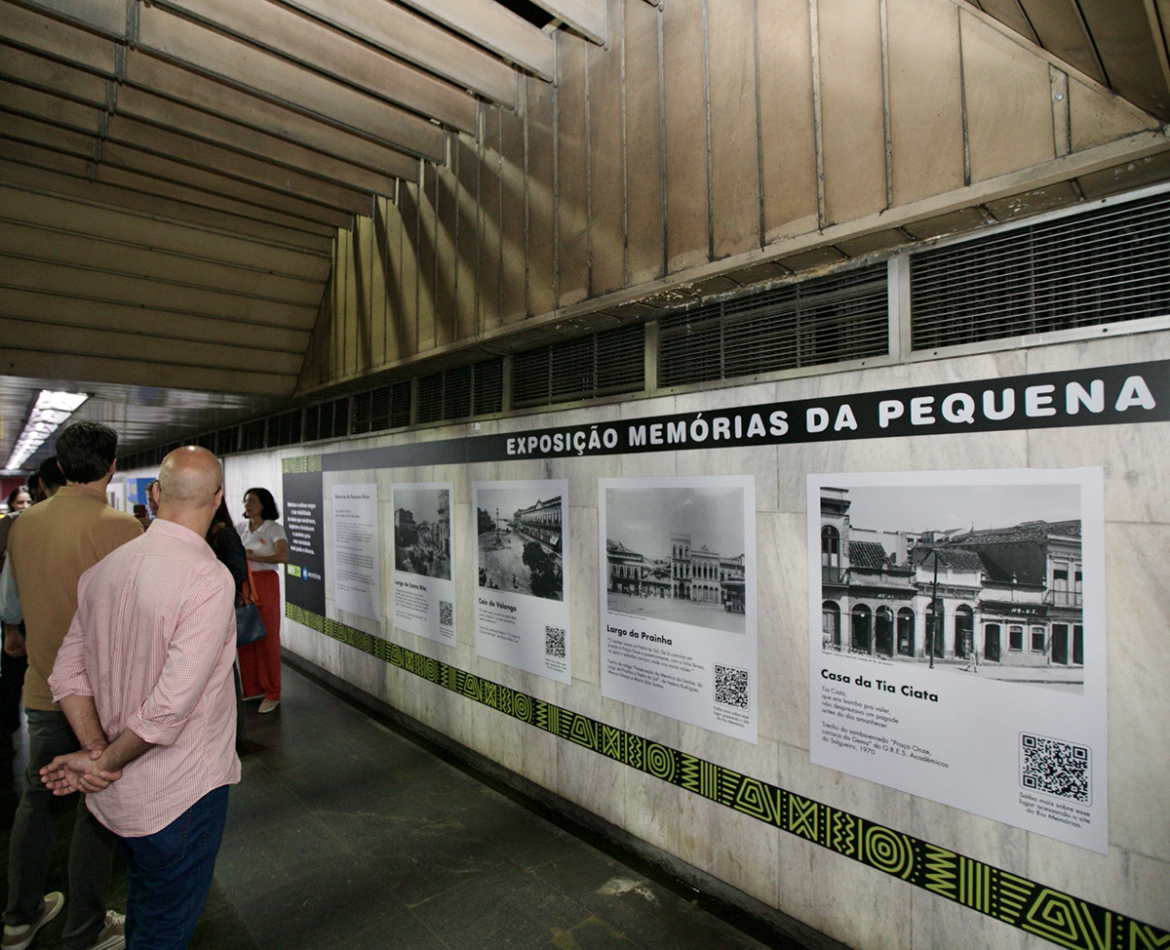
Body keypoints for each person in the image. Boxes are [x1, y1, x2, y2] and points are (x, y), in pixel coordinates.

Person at [40, 446, 239, 950]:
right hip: (182, 797)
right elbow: (169, 708)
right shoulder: (208, 579)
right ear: (217, 498)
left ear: (156, 494)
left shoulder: (103, 572)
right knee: (164, 928)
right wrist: (103, 759)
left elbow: (66, 674)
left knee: (146, 908)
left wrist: (93, 754)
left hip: (115, 799)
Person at [2, 428, 141, 950]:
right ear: (111, 465)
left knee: (36, 803)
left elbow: (13, 605)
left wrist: (17, 633)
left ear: (58, 464)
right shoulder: (121, 529)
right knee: (96, 808)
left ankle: (19, 917)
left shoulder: (23, 523)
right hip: (99, 700)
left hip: (42, 691)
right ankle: (85, 929)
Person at [235, 488, 287, 714]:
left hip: (265, 583)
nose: (248, 505)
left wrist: (254, 556)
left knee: (267, 639)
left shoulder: (273, 528)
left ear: (263, 504)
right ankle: (252, 687)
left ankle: (272, 692)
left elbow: (283, 556)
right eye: (246, 501)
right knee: (245, 637)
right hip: (245, 584)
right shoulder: (239, 528)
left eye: (252, 501)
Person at [206, 498, 248, 743]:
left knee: (225, 671)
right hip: (210, 609)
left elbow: (237, 571)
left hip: (220, 610)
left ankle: (235, 736)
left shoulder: (225, 534)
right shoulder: (204, 532)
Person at [0, 487, 32, 755]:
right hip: (15, 616)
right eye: (19, 502)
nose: (25, 505)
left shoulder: (32, 525)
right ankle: (7, 733)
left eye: (28, 501)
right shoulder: (9, 526)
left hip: (26, 615)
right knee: (11, 680)